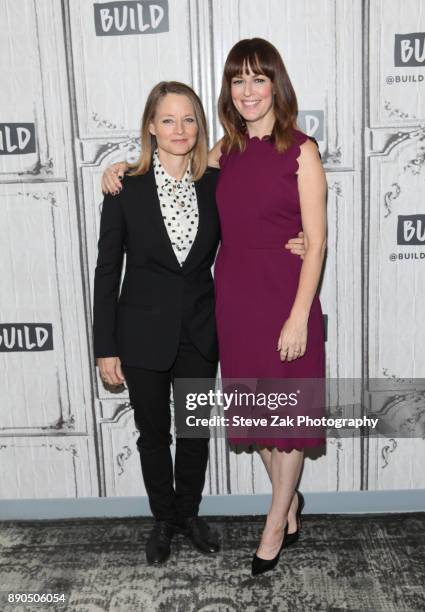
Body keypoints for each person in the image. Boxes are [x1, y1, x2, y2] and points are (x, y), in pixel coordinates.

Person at [210, 38, 327, 576]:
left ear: (276, 84)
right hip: (235, 297)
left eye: (259, 78)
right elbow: (168, 170)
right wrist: (117, 167)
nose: (248, 90)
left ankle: (275, 521)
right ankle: (292, 503)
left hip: (285, 295)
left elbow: (317, 240)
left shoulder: (302, 150)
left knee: (291, 419)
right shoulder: (222, 150)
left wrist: (300, 314)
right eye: (238, 80)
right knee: (258, 418)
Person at [93, 81, 222, 565]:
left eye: (188, 119)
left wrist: (295, 241)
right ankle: (163, 520)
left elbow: (250, 235)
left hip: (199, 331)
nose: (179, 129)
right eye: (168, 119)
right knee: (153, 436)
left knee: (194, 432)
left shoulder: (215, 182)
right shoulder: (126, 185)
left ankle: (189, 515)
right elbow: (108, 271)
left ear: (199, 126)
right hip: (140, 334)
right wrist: (105, 346)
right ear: (151, 126)